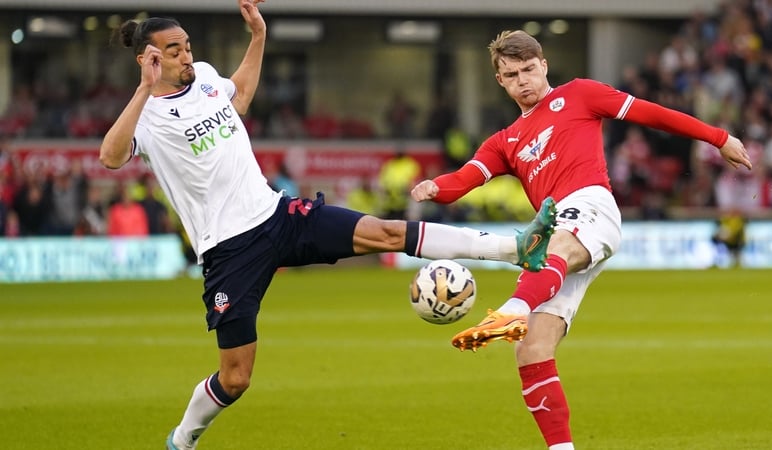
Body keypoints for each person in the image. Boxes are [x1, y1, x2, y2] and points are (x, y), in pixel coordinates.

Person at [98, 5, 555, 449]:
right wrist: (143, 90)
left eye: (187, 47)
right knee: (236, 378)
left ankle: (516, 248)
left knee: (386, 231)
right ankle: (182, 440)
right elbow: (111, 157)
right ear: (148, 59)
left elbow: (238, 98)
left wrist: (257, 37)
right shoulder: (148, 117)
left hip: (278, 216)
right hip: (229, 249)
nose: (186, 57)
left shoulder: (206, 80)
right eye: (173, 51)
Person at [410, 30, 753, 450]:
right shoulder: (504, 142)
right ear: (500, 80)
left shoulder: (580, 95)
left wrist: (719, 138)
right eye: (512, 74)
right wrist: (434, 187)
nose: (523, 81)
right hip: (561, 237)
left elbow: (651, 113)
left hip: (591, 205)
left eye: (529, 70)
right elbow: (463, 179)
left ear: (544, 66)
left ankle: (512, 310)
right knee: (532, 350)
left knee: (550, 246)